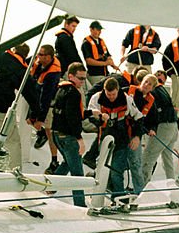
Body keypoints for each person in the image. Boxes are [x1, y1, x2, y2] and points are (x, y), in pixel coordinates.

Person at [88, 77, 141, 198]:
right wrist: (100, 118)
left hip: (121, 138)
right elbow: (91, 116)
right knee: (101, 168)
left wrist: (137, 137)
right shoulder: (96, 98)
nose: (111, 97)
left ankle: (119, 198)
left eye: (113, 94)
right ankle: (97, 195)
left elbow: (139, 118)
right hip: (105, 138)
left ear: (118, 90)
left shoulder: (127, 99)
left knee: (116, 171)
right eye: (108, 94)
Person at [49, 62, 91, 208]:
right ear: (71, 76)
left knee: (67, 163)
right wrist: (79, 139)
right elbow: (72, 118)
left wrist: (92, 113)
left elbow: (71, 113)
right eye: (80, 78)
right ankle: (80, 206)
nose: (82, 82)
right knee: (77, 173)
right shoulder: (74, 93)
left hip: (56, 134)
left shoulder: (61, 89)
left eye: (84, 79)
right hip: (68, 137)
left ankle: (49, 187)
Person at [142, 71, 179, 180]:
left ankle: (142, 187)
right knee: (167, 158)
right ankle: (171, 182)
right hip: (173, 127)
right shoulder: (163, 90)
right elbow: (170, 108)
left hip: (165, 127)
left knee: (148, 157)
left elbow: (152, 113)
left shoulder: (154, 92)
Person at [28, 44, 62, 171]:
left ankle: (54, 160)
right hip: (34, 96)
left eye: (41, 55)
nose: (38, 57)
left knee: (49, 131)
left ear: (48, 57)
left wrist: (39, 119)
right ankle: (41, 131)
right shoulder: (38, 61)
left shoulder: (53, 75)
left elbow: (46, 98)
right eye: (38, 54)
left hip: (48, 104)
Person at [81, 20, 117, 87]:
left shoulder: (101, 42)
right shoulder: (86, 43)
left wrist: (113, 65)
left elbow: (108, 56)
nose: (99, 32)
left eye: (100, 30)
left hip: (105, 74)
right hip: (94, 75)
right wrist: (105, 63)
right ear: (91, 29)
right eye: (97, 29)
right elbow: (89, 61)